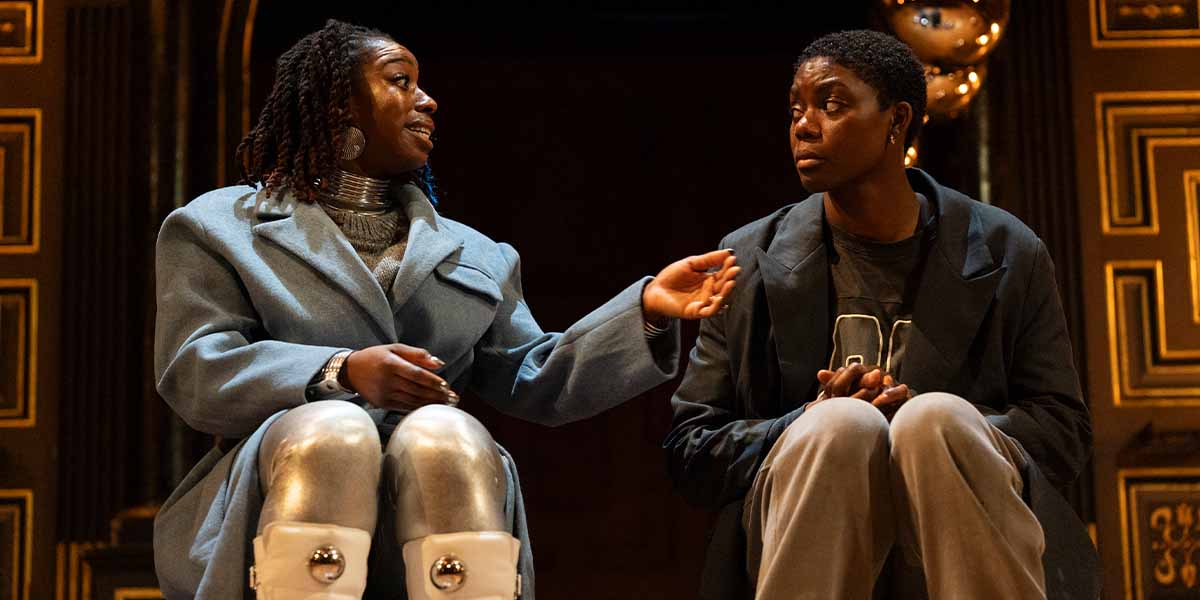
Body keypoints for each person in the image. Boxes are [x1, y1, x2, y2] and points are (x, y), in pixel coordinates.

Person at [152, 19, 739, 600]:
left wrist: (647, 312)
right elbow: (198, 369)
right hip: (276, 498)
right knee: (334, 429)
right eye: (400, 82)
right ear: (339, 107)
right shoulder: (222, 228)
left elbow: (535, 378)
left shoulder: (475, 254)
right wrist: (340, 371)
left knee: (446, 433)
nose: (428, 101)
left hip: (427, 493)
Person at [663, 30, 1098, 600]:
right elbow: (692, 447)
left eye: (832, 105)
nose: (804, 125)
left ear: (896, 121)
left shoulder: (1007, 250)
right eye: (797, 109)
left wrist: (943, 432)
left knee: (934, 421)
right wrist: (796, 424)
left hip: (964, 530)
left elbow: (1064, 432)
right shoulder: (747, 259)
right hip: (808, 532)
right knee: (840, 426)